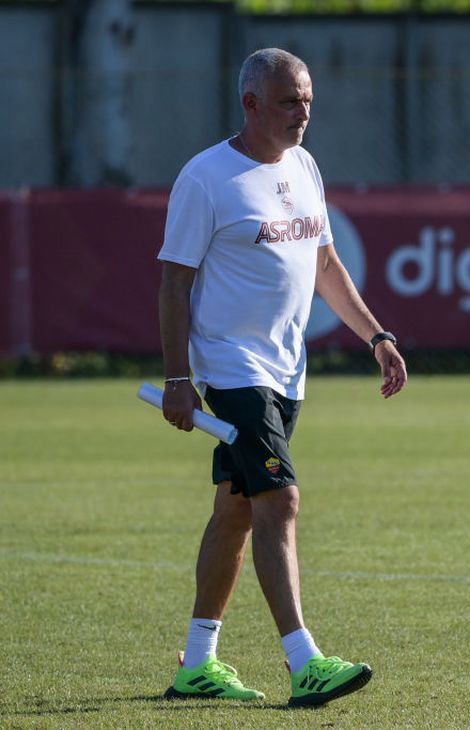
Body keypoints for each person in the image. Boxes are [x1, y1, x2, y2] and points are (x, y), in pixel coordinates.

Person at [157, 47, 407, 707]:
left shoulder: (304, 166)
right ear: (251, 104)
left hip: (287, 373)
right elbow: (173, 283)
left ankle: (198, 664)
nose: (303, 115)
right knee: (280, 502)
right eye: (290, 102)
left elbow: (325, 263)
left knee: (236, 511)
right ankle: (305, 663)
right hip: (234, 372)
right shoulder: (206, 178)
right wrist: (178, 377)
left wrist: (375, 335)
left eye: (308, 102)